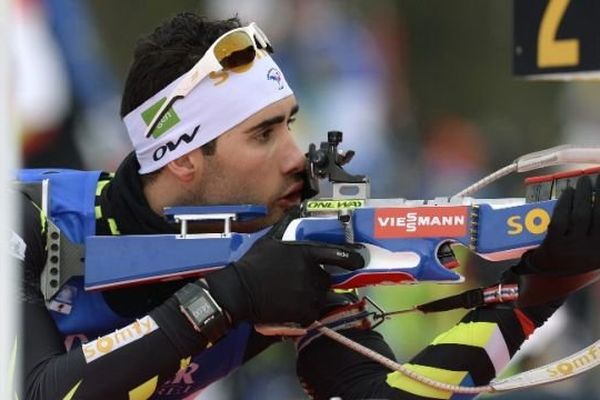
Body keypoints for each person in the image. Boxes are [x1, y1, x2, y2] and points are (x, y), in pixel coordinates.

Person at [13, 12, 600, 400]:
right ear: (182, 159)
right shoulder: (24, 214)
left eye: (289, 126)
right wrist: (226, 297)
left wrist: (536, 291)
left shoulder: (280, 244)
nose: (297, 156)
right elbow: (36, 391)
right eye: (264, 135)